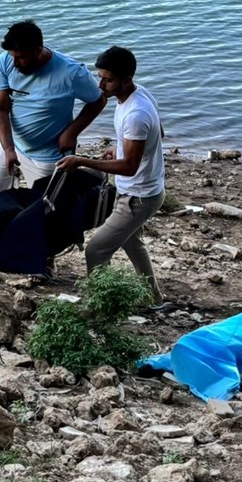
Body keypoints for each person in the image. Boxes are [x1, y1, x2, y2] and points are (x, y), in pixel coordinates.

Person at [56, 46, 166, 301]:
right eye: (100, 77)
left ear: (126, 79)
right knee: (131, 242)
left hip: (138, 197)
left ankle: (99, 307)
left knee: (95, 251)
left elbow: (129, 166)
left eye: (108, 79)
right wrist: (119, 147)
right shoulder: (140, 95)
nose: (100, 84)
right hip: (143, 190)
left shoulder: (136, 113)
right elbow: (158, 134)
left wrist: (83, 161)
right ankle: (154, 299)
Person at [0, 20, 106, 196]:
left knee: (45, 206)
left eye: (21, 57)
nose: (14, 62)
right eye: (11, 55)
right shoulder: (4, 62)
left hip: (48, 154)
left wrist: (72, 132)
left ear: (38, 50)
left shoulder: (72, 73)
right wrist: (8, 149)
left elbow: (98, 101)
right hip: (9, 143)